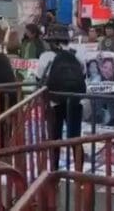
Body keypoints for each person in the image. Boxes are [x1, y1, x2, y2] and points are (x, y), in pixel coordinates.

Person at [35, 24, 86, 169]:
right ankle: (79, 172)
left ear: (51, 41)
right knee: (75, 138)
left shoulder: (45, 57)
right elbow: (83, 75)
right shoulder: (76, 55)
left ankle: (54, 171)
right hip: (74, 101)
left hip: (54, 102)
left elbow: (39, 78)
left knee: (54, 138)